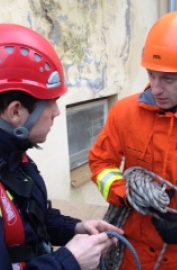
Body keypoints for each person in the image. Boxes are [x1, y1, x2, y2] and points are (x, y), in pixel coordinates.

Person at [0, 23, 123, 270]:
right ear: (15, 112)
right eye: (51, 103)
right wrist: (69, 262)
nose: (57, 112)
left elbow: (36, 219)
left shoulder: (15, 159)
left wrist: (77, 228)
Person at [89, 10, 177, 270]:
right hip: (131, 255)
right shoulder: (126, 113)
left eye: (168, 79)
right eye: (152, 74)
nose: (155, 87)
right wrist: (125, 194)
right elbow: (100, 162)